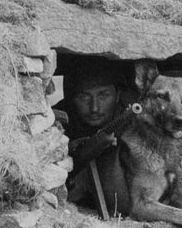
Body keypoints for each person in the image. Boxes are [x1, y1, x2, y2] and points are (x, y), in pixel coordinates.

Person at [56, 60, 132, 201]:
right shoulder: (57, 119)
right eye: (84, 97)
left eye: (103, 95)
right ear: (71, 99)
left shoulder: (132, 123)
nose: (94, 108)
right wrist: (67, 150)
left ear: (118, 96)